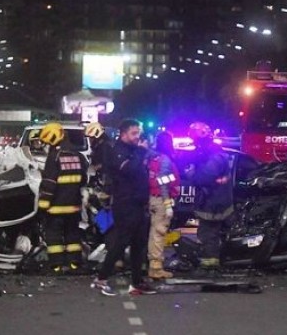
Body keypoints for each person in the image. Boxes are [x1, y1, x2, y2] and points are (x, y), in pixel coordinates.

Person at [91, 119, 157, 296]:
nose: (137, 137)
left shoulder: (135, 150)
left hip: (139, 203)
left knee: (139, 244)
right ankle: (101, 279)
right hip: (125, 203)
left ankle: (137, 282)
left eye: (139, 133)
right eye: (134, 133)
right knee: (121, 242)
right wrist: (141, 152)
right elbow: (130, 170)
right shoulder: (117, 151)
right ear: (123, 133)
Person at [37, 122, 89, 273]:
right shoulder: (78, 156)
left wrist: (42, 206)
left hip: (56, 208)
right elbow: (84, 180)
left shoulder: (55, 157)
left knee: (54, 236)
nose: (46, 146)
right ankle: (75, 263)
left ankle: (56, 265)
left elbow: (49, 184)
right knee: (73, 235)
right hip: (74, 206)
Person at [186, 121, 233, 275]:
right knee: (211, 232)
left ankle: (210, 265)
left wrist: (191, 174)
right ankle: (212, 261)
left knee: (208, 233)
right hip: (215, 200)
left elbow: (204, 177)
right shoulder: (212, 152)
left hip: (213, 202)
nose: (194, 143)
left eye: (194, 139)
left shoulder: (215, 155)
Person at [146, 131, 181, 279]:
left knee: (153, 233)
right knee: (159, 233)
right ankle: (156, 268)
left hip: (150, 198)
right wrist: (167, 204)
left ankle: (150, 264)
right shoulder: (165, 160)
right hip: (160, 200)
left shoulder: (150, 157)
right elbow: (163, 183)